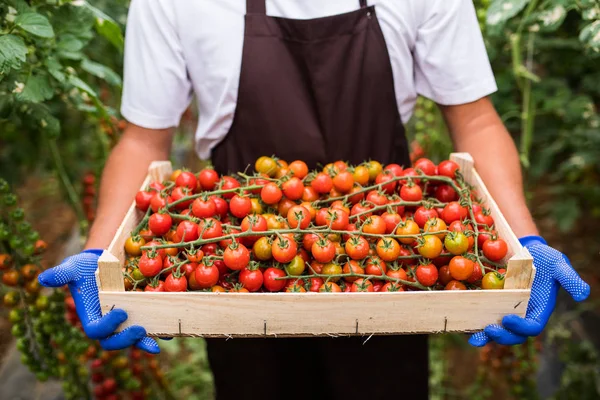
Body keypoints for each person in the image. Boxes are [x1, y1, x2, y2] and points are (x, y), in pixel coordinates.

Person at [38, 1, 590, 399]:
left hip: (387, 257)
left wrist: (524, 239)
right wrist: (100, 255)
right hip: (240, 259)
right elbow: (143, 138)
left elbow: (475, 120)